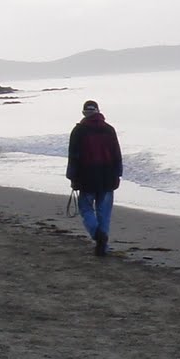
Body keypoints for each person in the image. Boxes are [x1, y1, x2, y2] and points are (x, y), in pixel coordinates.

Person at [66, 99, 123, 256]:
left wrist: (72, 177)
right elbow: (117, 154)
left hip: (86, 177)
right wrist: (118, 173)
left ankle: (98, 236)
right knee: (104, 213)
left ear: (84, 113)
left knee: (86, 209)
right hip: (107, 177)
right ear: (98, 111)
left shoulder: (78, 131)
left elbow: (74, 157)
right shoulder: (109, 130)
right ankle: (102, 244)